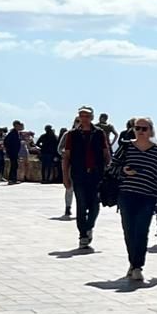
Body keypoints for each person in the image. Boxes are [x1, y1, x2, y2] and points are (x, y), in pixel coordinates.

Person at [111, 117, 157, 282]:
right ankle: (133, 262)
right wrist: (124, 171)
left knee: (141, 231)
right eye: (138, 128)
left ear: (151, 130)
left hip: (148, 197)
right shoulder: (126, 147)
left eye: (144, 129)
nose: (141, 132)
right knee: (129, 231)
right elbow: (112, 168)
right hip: (127, 195)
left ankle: (138, 266)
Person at [62, 106, 111, 249]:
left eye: (87, 115)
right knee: (81, 204)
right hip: (79, 174)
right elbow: (67, 156)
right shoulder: (72, 134)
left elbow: (105, 152)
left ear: (92, 117)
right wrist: (65, 176)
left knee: (95, 204)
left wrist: (109, 170)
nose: (84, 118)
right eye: (82, 115)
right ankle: (83, 234)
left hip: (96, 174)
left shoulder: (99, 133)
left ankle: (89, 226)